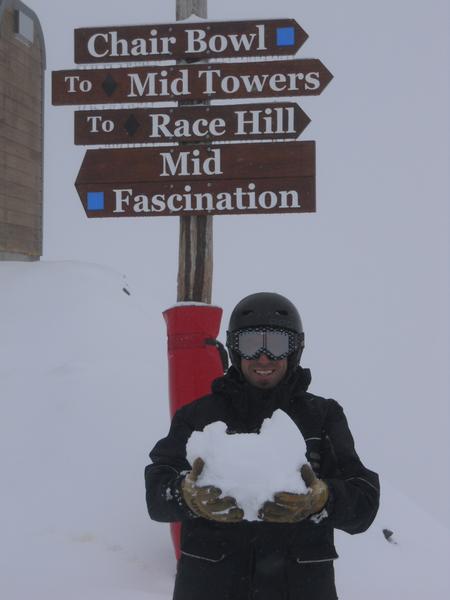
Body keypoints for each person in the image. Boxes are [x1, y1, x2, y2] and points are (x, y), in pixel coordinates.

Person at [145, 292, 380, 600]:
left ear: (295, 349)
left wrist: (322, 498)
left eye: (278, 344)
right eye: (252, 344)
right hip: (209, 587)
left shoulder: (322, 417)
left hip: (299, 587)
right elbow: (157, 490)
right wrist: (186, 494)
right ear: (234, 348)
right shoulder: (198, 416)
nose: (264, 357)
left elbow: (364, 501)